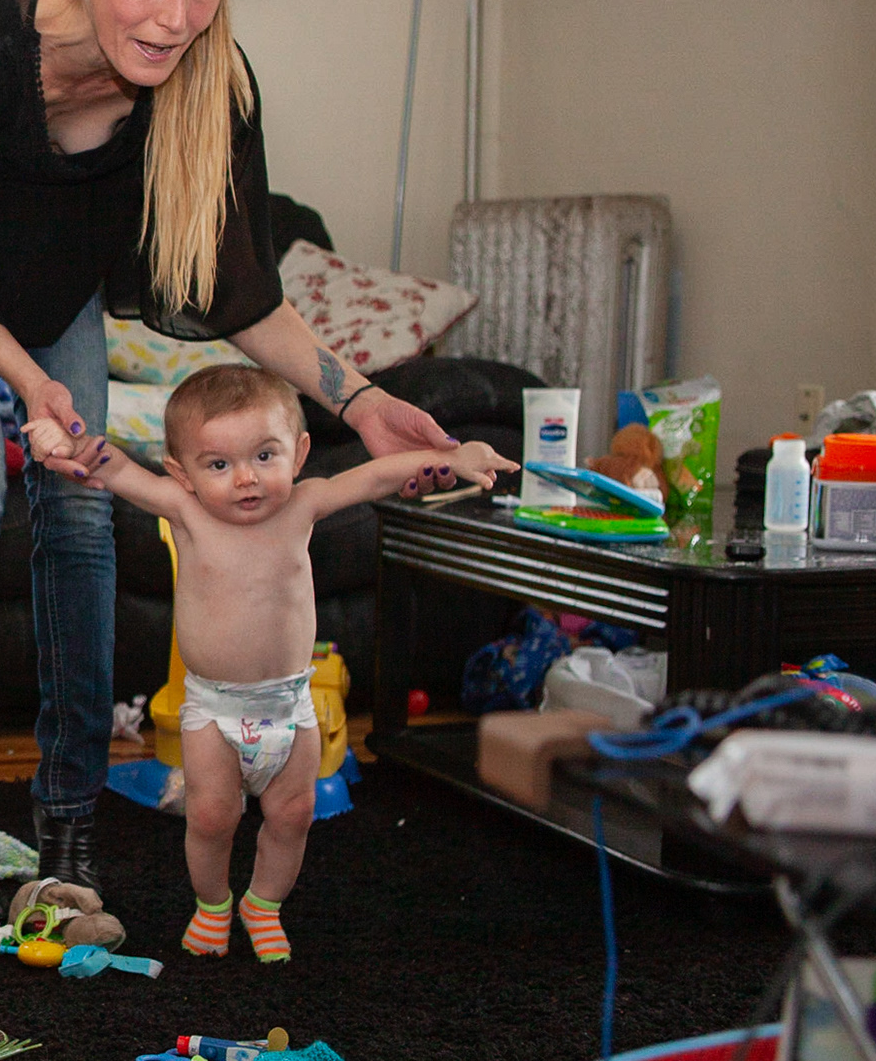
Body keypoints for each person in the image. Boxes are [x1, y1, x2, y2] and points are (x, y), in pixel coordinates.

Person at [0, 0, 458, 914]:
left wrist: (359, 396)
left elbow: (243, 288)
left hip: (47, 283)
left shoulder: (208, 81)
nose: (174, 17)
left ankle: (68, 814)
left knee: (78, 510)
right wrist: (30, 386)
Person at [27, 365, 515, 958]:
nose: (246, 480)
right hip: (213, 709)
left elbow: (374, 475)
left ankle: (262, 903)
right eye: (218, 465)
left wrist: (457, 456)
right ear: (181, 473)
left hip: (290, 704)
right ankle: (212, 906)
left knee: (295, 812)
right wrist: (74, 445)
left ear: (300, 452)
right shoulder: (185, 512)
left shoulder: (303, 505)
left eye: (264, 456)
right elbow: (121, 469)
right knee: (211, 817)